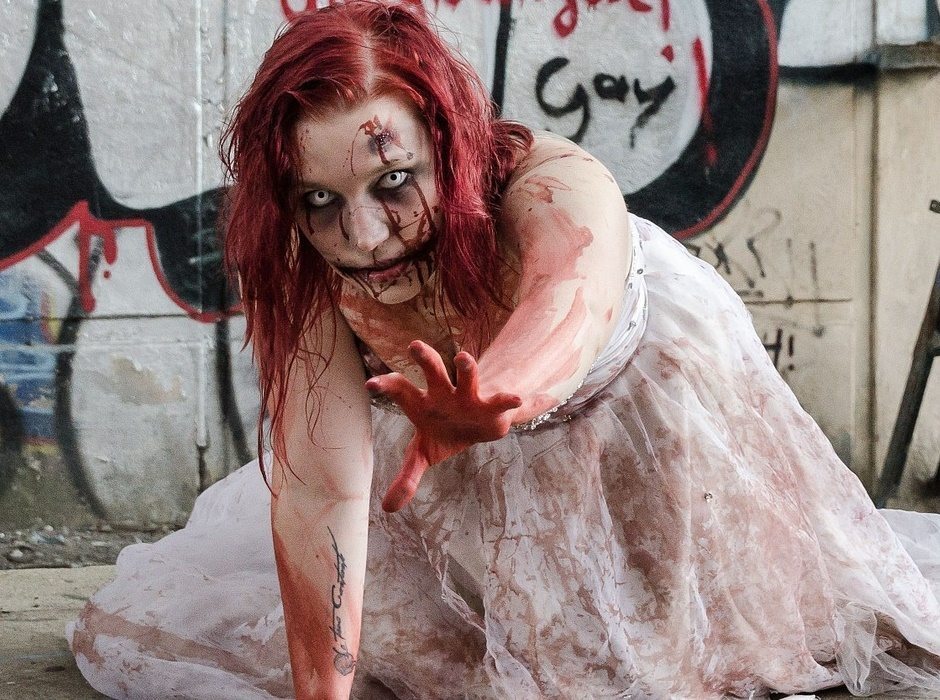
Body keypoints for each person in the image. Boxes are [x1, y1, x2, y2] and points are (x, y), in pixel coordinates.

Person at [68, 2, 940, 698]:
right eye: (319, 199)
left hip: (647, 425)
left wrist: (498, 396)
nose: (363, 235)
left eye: (393, 181)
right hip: (460, 439)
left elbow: (569, 302)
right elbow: (319, 487)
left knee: (692, 660)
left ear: (449, 144)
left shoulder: (553, 182)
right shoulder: (302, 265)